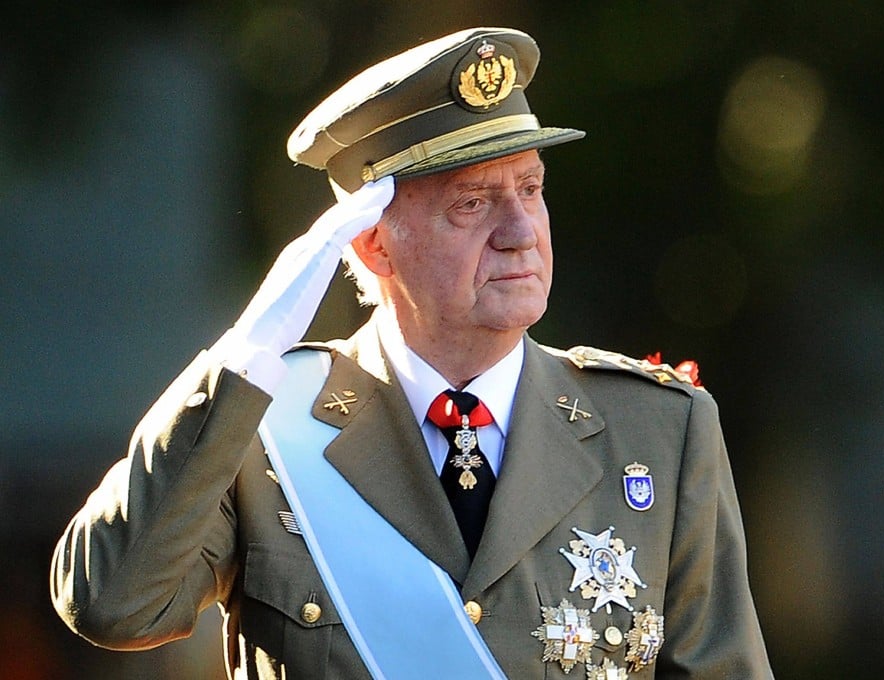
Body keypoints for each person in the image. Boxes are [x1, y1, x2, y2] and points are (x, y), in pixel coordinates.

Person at [51, 27, 772, 679]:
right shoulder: (262, 429)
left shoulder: (659, 430)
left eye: (531, 189)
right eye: (472, 202)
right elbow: (113, 602)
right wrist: (244, 360)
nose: (522, 230)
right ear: (372, 240)